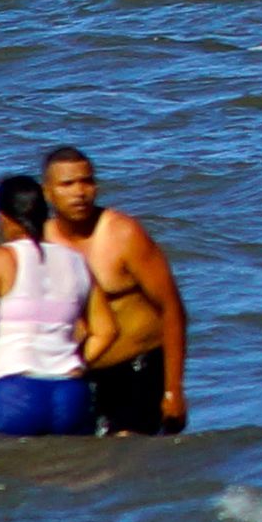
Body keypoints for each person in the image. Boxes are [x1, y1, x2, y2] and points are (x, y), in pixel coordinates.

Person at [40, 147, 190, 436]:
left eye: (86, 181)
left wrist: (173, 390)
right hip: (79, 375)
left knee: (126, 450)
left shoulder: (123, 234)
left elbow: (172, 309)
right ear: (47, 192)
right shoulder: (41, 243)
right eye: (67, 184)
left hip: (138, 369)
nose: (79, 192)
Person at [0, 174, 98, 436]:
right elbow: (104, 330)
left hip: (15, 392)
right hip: (71, 393)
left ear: (2, 217)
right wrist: (72, 362)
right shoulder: (76, 260)